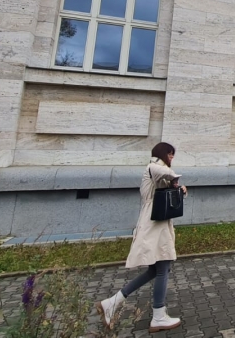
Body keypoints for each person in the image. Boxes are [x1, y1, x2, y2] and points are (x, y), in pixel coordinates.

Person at [96, 142, 184, 332]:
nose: (172, 157)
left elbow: (166, 189)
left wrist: (179, 189)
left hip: (158, 225)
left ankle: (112, 302)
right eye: (170, 154)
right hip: (153, 227)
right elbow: (163, 172)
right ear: (163, 154)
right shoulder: (153, 167)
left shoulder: (158, 172)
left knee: (155, 271)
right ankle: (158, 316)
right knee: (163, 268)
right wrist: (174, 177)